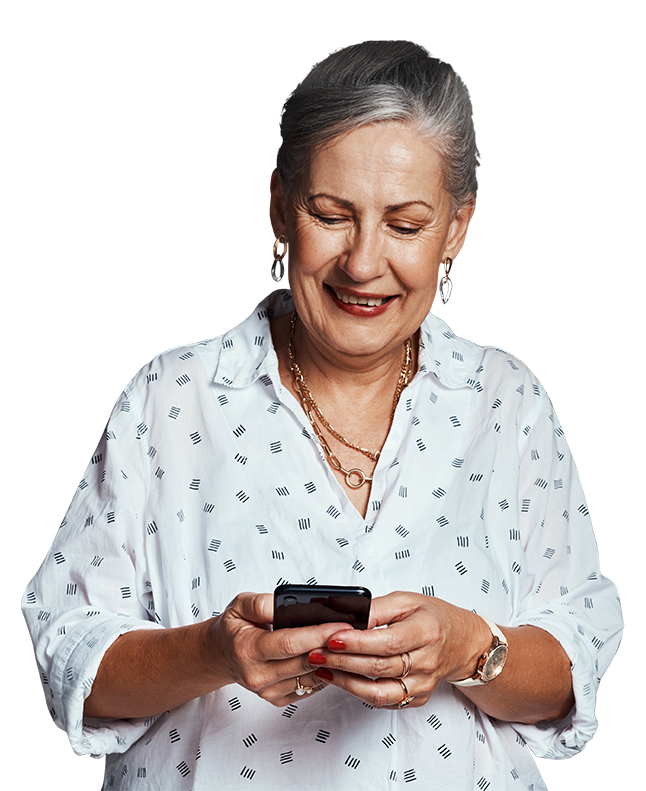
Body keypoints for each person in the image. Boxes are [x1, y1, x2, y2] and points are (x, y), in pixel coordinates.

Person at [22, 41, 623, 790]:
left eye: (405, 225)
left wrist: (474, 647)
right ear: (280, 207)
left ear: (456, 231)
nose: (363, 263)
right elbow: (72, 655)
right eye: (332, 215)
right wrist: (215, 650)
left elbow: (573, 668)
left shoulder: (509, 403)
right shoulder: (170, 398)